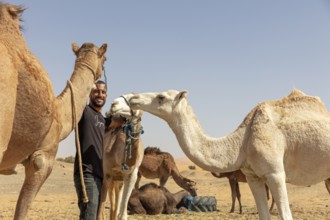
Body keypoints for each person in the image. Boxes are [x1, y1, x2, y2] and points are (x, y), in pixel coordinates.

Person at [74, 80, 110, 220]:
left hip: (100, 175)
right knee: (89, 215)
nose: (100, 94)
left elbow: (118, 120)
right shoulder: (84, 111)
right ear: (90, 93)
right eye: (96, 91)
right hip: (86, 173)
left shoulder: (104, 120)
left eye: (103, 92)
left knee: (94, 216)